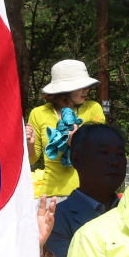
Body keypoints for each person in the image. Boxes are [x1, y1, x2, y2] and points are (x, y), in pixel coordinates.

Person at [49, 122, 126, 257]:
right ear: (76, 159)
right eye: (103, 152)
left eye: (120, 154)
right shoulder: (57, 220)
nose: (114, 161)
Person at [27, 60, 106, 197]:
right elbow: (31, 160)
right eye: (81, 86)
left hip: (89, 193)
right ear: (64, 89)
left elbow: (101, 150)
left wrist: (77, 141)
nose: (86, 89)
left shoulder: (93, 108)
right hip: (51, 195)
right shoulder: (38, 113)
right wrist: (29, 144)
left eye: (87, 85)